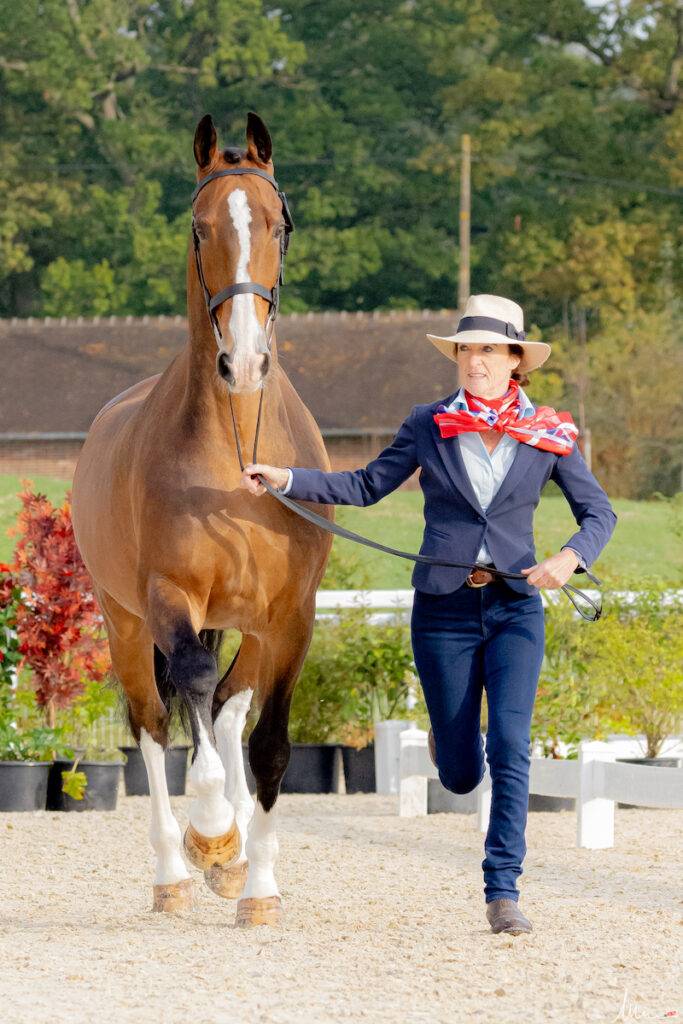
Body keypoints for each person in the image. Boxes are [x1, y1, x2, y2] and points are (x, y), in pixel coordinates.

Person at [240, 293, 617, 936]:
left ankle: (503, 891)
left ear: (515, 360)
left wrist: (569, 558)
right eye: (466, 350)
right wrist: (287, 479)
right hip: (443, 610)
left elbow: (599, 512)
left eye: (488, 350)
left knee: (511, 746)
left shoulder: (548, 434)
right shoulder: (429, 423)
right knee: (462, 774)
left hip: (515, 609)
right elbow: (366, 485)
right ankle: (450, 740)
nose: (475, 361)